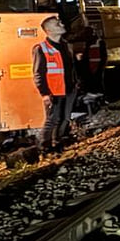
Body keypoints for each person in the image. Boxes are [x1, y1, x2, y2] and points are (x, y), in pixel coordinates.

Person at [32, 16, 79, 153]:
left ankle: (57, 142)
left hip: (69, 89)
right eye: (56, 23)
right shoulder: (41, 49)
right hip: (54, 92)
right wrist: (45, 93)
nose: (61, 24)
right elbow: (38, 73)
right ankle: (43, 146)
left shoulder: (66, 46)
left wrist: (76, 82)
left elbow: (71, 68)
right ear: (48, 30)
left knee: (65, 118)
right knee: (52, 119)